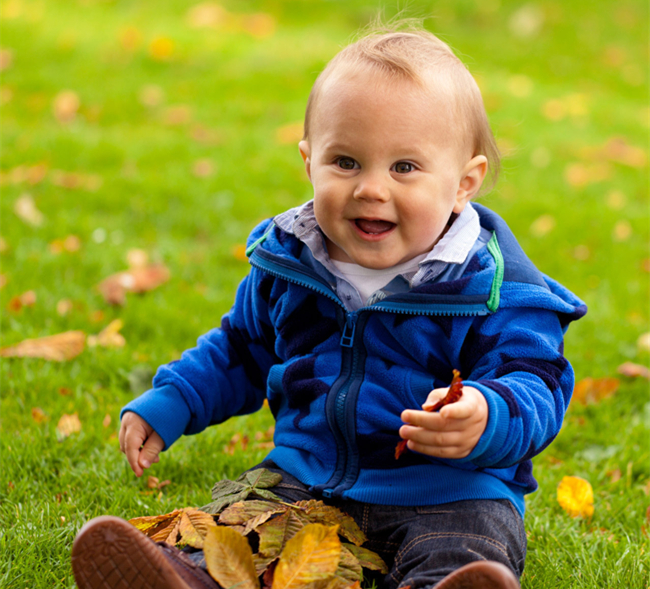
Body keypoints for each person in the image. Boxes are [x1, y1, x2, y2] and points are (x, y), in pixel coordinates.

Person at [71, 22, 586, 589]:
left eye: (405, 168)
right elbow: (242, 348)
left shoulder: (494, 288)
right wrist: (172, 401)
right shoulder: (291, 263)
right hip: (306, 476)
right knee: (237, 529)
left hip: (450, 493)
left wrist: (487, 416)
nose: (371, 188)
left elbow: (537, 381)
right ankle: (187, 580)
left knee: (461, 549)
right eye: (346, 162)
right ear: (308, 162)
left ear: (464, 183)